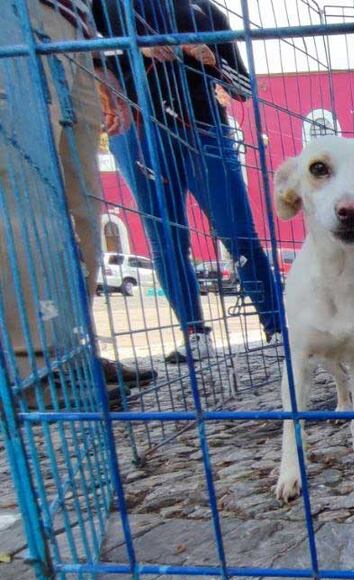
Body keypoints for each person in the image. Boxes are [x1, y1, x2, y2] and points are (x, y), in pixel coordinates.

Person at [92, 0, 283, 364]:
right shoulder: (111, 7)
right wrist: (137, 46)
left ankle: (278, 327)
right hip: (140, 130)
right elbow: (83, 48)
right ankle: (194, 333)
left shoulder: (207, 13)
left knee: (238, 233)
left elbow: (244, 87)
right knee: (165, 238)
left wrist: (214, 61)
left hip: (205, 129)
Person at [0, 0, 155, 409]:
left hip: (77, 30)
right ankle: (27, 369)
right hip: (19, 15)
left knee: (83, 210)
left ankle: (70, 351)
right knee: (24, 194)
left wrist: (101, 59)